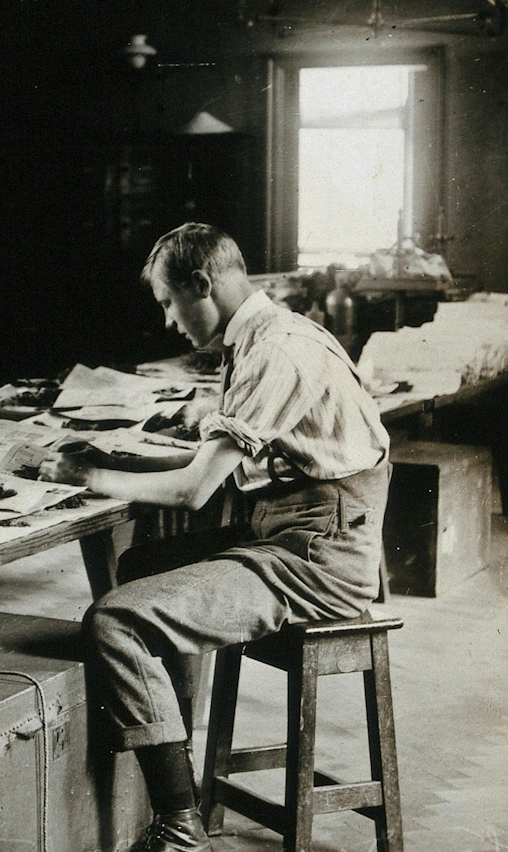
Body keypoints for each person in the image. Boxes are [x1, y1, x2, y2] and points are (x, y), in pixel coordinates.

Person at [46, 223, 390, 852]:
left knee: (114, 621)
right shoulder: (262, 334)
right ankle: (170, 754)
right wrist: (105, 460)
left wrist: (91, 473)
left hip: (317, 560)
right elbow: (214, 467)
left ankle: (180, 830)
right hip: (290, 534)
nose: (171, 322)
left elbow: (194, 492)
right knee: (141, 565)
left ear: (201, 284)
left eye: (169, 303)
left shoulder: (277, 350)